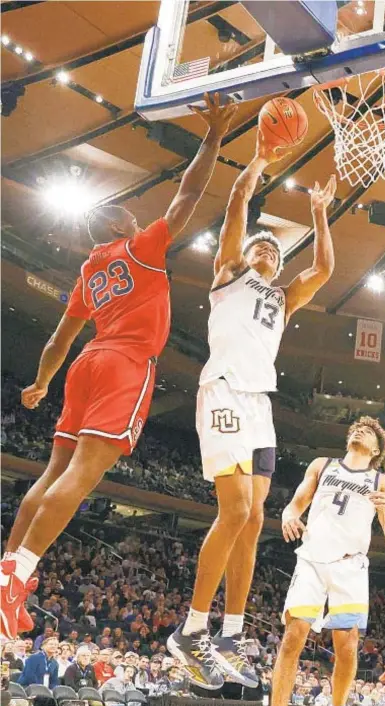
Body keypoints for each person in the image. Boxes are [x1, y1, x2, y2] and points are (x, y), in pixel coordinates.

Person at [0, 93, 236, 641]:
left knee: (52, 474)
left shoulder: (89, 270)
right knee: (82, 477)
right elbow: (188, 195)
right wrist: (214, 135)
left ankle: (8, 574)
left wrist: (41, 382)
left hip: (85, 363)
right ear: (117, 224)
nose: (136, 211)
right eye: (128, 209)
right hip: (125, 363)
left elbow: (61, 337)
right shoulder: (140, 247)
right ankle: (21, 575)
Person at [168, 130, 336, 689]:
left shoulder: (282, 297)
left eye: (273, 249)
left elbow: (323, 273)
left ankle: (230, 635)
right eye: (260, 246)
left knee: (256, 518)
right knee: (235, 511)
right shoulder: (229, 275)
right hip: (223, 390)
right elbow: (239, 202)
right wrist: (261, 159)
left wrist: (320, 215)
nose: (266, 250)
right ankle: (191, 629)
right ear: (242, 255)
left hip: (259, 405)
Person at [248, 417, 385, 706]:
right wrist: (289, 515)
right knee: (292, 638)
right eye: (356, 429)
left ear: (376, 450)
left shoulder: (381, 481)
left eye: (369, 433)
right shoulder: (323, 465)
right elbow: (297, 502)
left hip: (350, 566)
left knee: (346, 647)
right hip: (313, 560)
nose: (360, 432)